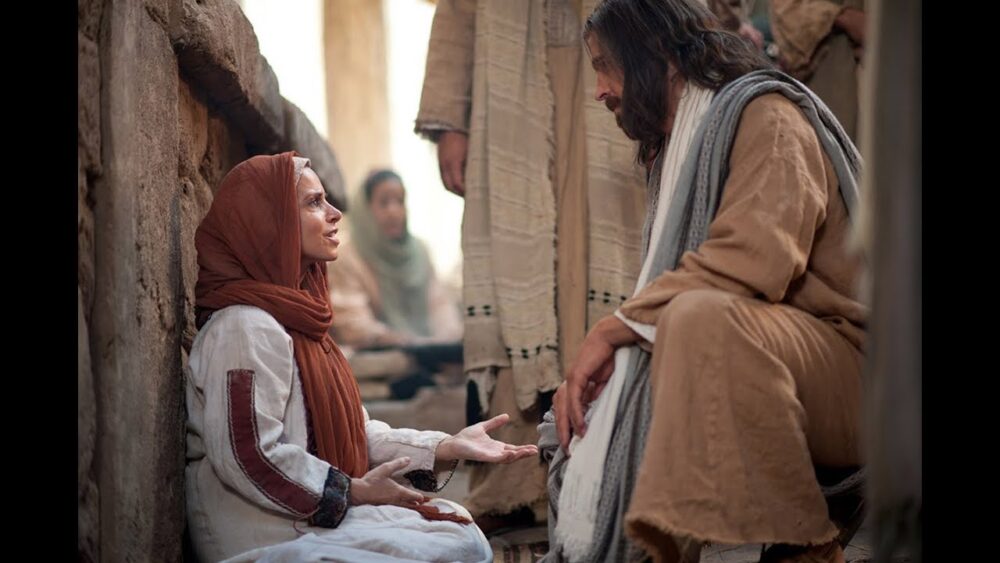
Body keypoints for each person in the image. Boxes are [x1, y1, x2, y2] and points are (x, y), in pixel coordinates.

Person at [542, 1, 865, 562]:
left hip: (861, 380)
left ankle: (805, 546)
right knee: (604, 392)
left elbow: (753, 261)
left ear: (657, 57)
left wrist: (613, 330)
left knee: (695, 320)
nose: (599, 90)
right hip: (778, 358)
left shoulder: (766, 115)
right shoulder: (681, 148)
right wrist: (618, 354)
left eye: (606, 66)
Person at [185, 152, 538, 562]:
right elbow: (250, 456)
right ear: (270, 223)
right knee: (450, 545)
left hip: (307, 520)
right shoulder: (243, 327)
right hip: (263, 532)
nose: (336, 214)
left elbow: (358, 431)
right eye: (314, 203)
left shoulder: (301, 325)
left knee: (457, 528)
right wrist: (351, 491)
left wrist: (447, 446)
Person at [415, 0, 648, 530]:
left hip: (615, 75)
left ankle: (617, 475)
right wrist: (450, 123)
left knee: (608, 262)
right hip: (507, 84)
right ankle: (511, 485)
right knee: (517, 274)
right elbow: (457, 9)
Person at [327, 169, 463, 351]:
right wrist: (398, 340)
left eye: (400, 201)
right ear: (365, 209)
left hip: (429, 353)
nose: (394, 211)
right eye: (384, 203)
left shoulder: (419, 251)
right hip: (376, 357)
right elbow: (353, 324)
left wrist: (443, 341)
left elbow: (440, 306)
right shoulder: (346, 256)